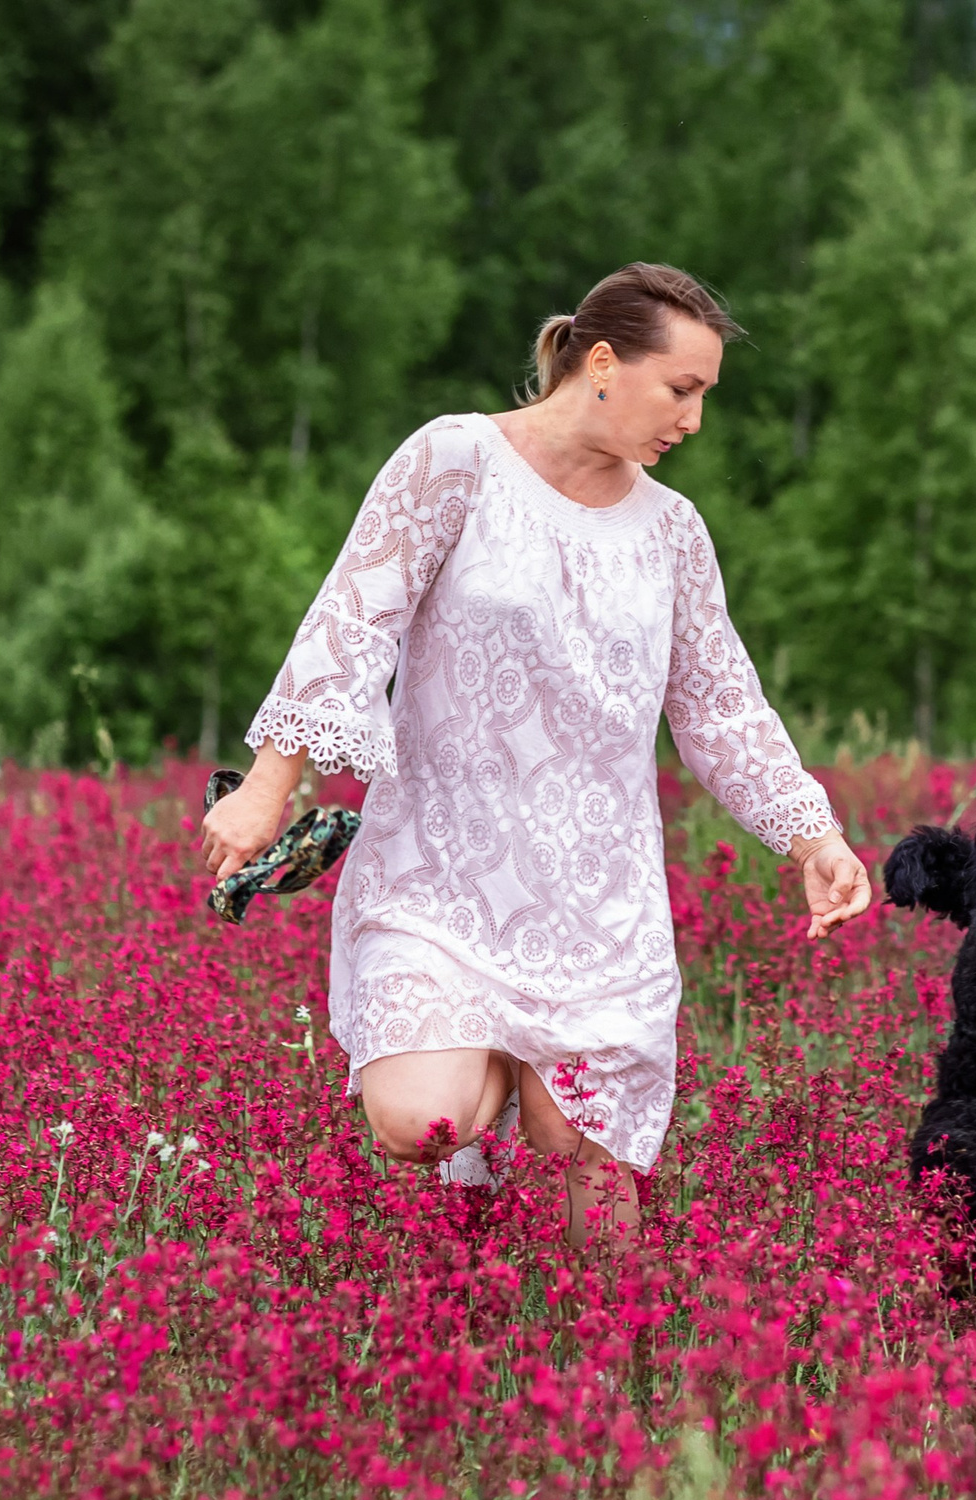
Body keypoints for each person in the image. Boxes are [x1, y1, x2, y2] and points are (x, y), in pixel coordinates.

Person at [199, 263, 871, 1246]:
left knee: (588, 1157)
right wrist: (268, 784)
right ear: (603, 362)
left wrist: (813, 839)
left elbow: (722, 704)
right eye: (681, 389)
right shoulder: (456, 460)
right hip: (441, 871)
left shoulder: (672, 532)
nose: (692, 421)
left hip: (597, 896)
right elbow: (352, 619)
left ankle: (617, 1381)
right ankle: (472, 1140)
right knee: (423, 1120)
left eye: (705, 397)